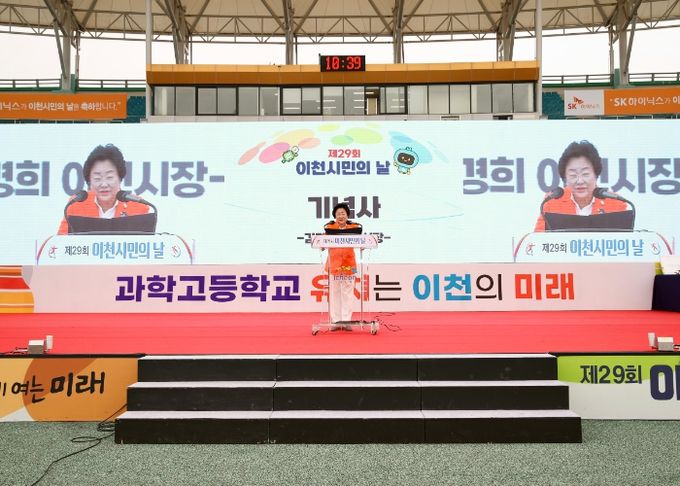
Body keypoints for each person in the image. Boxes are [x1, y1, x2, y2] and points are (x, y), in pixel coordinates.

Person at [534, 140, 628, 232]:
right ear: (565, 178)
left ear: (596, 174)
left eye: (585, 174)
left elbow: (625, 240)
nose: (579, 181)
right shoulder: (552, 202)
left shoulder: (615, 203)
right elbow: (537, 239)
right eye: (573, 175)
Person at [57, 144, 149, 234]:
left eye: (109, 177)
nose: (104, 184)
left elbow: (146, 243)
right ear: (89, 181)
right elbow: (60, 241)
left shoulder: (138, 206)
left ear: (120, 178)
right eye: (97, 178)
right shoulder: (76, 204)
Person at [324, 203, 362, 330]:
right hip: (334, 265)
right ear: (335, 216)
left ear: (347, 215)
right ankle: (335, 322)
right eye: (338, 214)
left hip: (349, 265)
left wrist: (363, 245)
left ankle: (346, 321)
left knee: (348, 294)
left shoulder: (354, 228)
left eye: (343, 213)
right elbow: (322, 243)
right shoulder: (329, 228)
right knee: (334, 293)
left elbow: (362, 241)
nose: (341, 216)